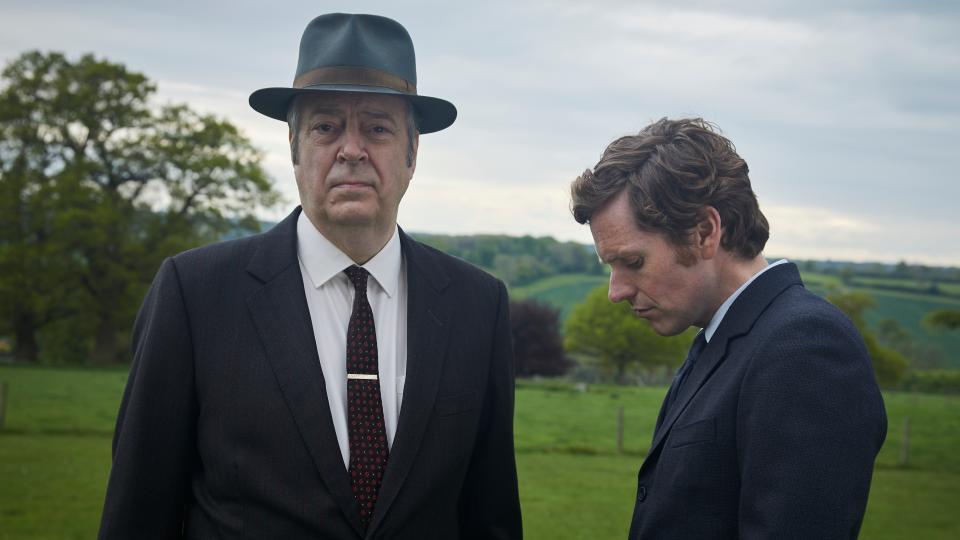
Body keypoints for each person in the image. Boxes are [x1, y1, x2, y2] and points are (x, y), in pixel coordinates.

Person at [98, 13, 522, 539]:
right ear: (294, 149)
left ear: (413, 154)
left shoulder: (477, 305)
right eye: (325, 126)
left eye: (378, 127)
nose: (351, 149)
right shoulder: (195, 293)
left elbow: (492, 516)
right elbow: (137, 514)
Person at [570, 117, 886, 539]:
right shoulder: (726, 338)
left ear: (704, 232)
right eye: (611, 267)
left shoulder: (805, 348)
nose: (616, 291)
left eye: (633, 262)